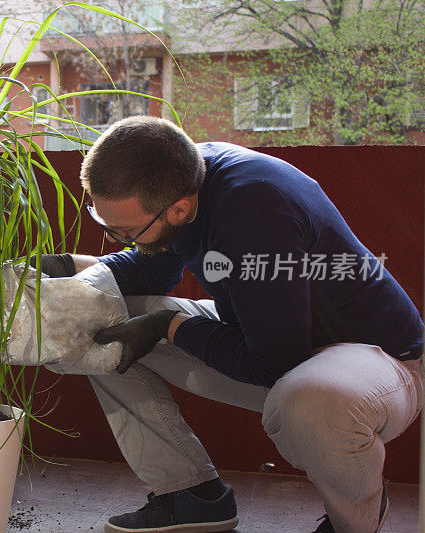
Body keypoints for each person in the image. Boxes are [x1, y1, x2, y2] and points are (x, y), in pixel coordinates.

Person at [38, 116, 424, 533]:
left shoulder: (254, 212)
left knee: (312, 403)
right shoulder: (183, 175)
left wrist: (167, 326)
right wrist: (63, 268)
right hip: (276, 337)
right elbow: (152, 271)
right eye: (107, 225)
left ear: (178, 208)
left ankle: (356, 522)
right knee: (98, 317)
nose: (115, 239)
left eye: (125, 231)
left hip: (375, 363)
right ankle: (191, 494)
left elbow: (271, 363)